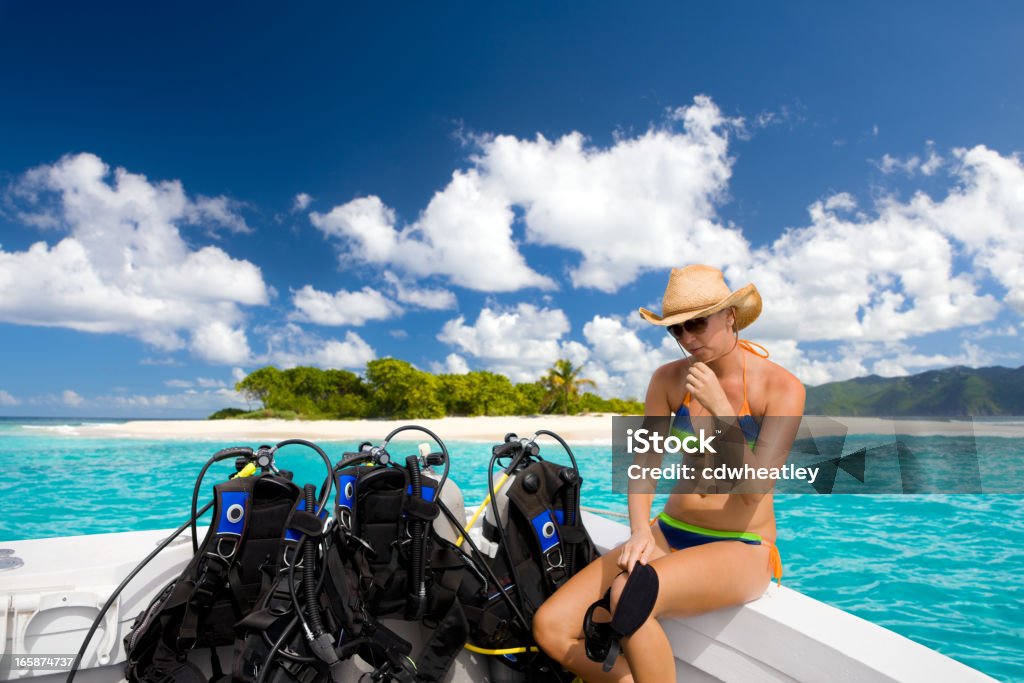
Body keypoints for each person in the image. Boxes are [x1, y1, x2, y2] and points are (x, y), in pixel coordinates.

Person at [533, 264, 805, 682]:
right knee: (550, 627)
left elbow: (754, 492)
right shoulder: (667, 380)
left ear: (730, 316)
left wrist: (722, 411)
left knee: (629, 596)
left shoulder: (782, 388)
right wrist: (640, 530)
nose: (686, 339)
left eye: (696, 324)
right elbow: (644, 465)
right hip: (667, 532)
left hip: (742, 544)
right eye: (675, 331)